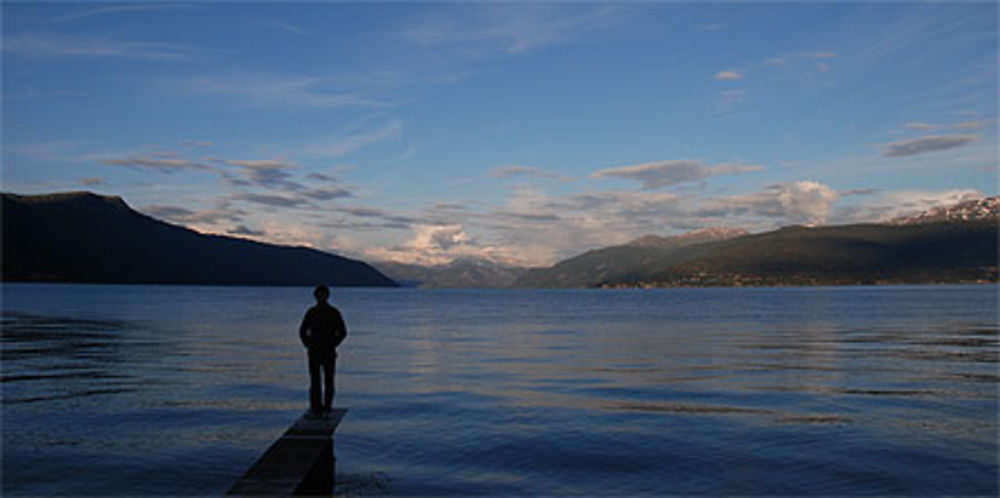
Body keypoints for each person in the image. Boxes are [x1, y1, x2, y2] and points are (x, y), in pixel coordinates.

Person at [299, 285, 347, 416]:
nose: (321, 297)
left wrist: (333, 344)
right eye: (319, 294)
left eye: (323, 294)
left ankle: (327, 406)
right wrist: (308, 344)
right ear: (315, 296)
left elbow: (342, 331)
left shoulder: (333, 312)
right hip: (314, 351)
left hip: (328, 351)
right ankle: (315, 407)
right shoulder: (311, 312)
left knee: (329, 380)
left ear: (327, 296)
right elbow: (302, 331)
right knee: (315, 380)